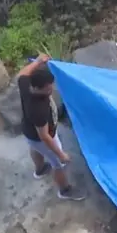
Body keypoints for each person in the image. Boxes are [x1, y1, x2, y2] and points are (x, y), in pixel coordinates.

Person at [17, 54, 82, 200]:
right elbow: (44, 136)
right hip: (41, 136)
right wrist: (60, 155)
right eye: (47, 88)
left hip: (29, 131)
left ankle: (40, 170)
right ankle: (64, 190)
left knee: (34, 147)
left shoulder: (25, 83)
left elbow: (21, 73)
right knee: (57, 164)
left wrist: (38, 62)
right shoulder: (38, 109)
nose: (51, 89)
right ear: (37, 88)